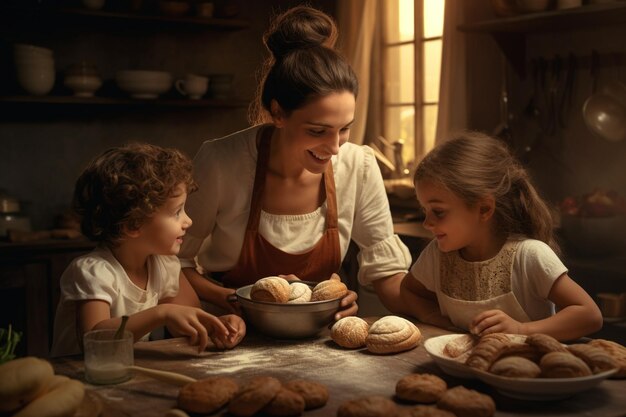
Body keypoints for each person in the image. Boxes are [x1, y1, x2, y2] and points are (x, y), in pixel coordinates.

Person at [178, 6, 412, 319]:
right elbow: (171, 263)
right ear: (278, 113)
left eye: (344, 128)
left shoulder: (359, 165)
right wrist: (238, 301)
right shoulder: (222, 161)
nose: (334, 148)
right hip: (228, 326)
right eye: (317, 131)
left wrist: (438, 315)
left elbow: (389, 274)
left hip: (317, 336)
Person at [377, 131, 603, 341]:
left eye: (438, 212)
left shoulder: (529, 255)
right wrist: (431, 315)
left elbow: (589, 315)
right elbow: (408, 291)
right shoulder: (436, 256)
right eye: (424, 210)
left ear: (484, 209)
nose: (427, 223)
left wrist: (521, 330)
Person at [51, 143, 246, 357]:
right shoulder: (94, 272)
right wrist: (161, 313)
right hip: (77, 377)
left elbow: (190, 319)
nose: (188, 221)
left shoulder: (164, 264)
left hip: (122, 373)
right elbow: (94, 338)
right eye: (176, 212)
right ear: (134, 225)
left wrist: (219, 326)